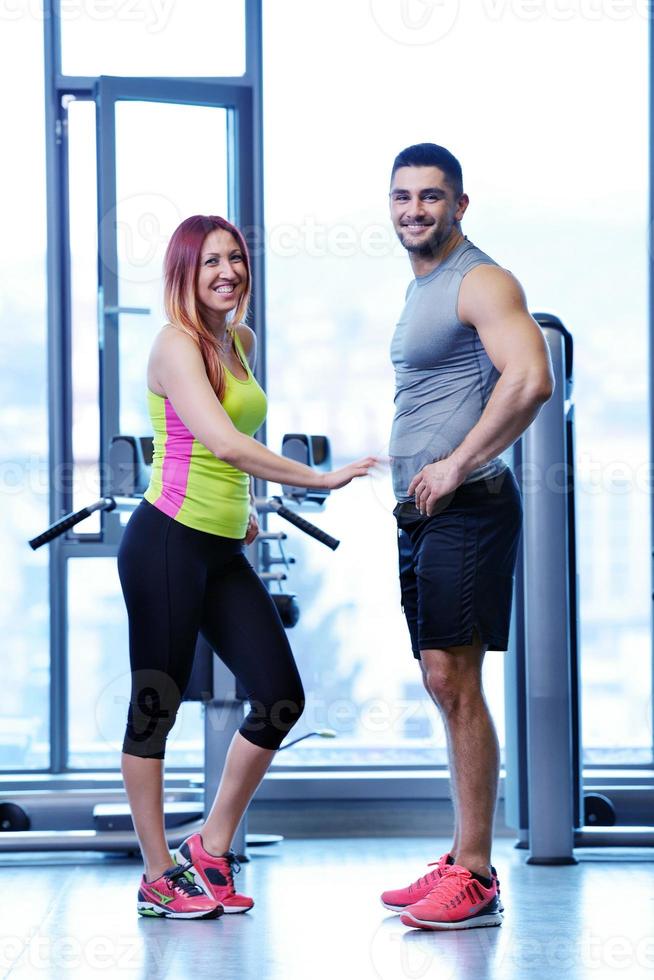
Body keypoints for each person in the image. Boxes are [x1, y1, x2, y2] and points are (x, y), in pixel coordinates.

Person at [118, 214, 376, 919]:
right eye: (210, 262)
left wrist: (247, 510)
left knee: (279, 696)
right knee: (155, 710)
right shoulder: (174, 345)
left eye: (234, 258)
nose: (227, 271)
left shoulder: (238, 341)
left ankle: (212, 843)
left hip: (222, 546)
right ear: (183, 273)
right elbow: (226, 443)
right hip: (166, 541)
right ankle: (156, 872)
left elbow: (222, 451)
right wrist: (313, 479)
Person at [379, 144, 554, 931]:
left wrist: (453, 465)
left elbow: (531, 377)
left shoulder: (481, 280)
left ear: (460, 204)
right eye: (403, 196)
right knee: (442, 680)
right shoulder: (423, 288)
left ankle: (477, 874)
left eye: (431, 196)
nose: (415, 209)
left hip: (468, 505)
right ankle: (461, 855)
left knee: (456, 677)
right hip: (424, 512)